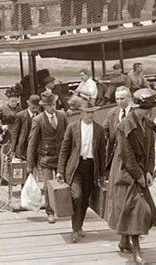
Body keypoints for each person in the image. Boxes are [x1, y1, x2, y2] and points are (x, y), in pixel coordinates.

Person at [106, 88, 156, 264]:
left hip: (140, 171)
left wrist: (149, 171)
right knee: (137, 210)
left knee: (129, 210)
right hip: (125, 173)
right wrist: (138, 176)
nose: (149, 112)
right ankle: (136, 249)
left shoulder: (149, 125)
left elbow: (151, 151)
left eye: (150, 109)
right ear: (136, 107)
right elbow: (126, 155)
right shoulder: (124, 126)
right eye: (146, 108)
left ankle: (124, 241)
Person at [57, 102, 105, 243]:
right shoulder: (72, 128)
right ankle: (74, 228)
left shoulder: (99, 129)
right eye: (87, 112)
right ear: (81, 113)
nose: (90, 115)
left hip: (91, 167)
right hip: (76, 167)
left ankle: (79, 226)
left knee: (85, 199)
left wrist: (102, 174)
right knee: (77, 196)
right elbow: (64, 150)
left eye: (92, 112)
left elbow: (102, 153)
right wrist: (60, 171)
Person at [27, 91, 68, 224]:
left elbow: (68, 137)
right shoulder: (38, 120)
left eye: (54, 104)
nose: (52, 107)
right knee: (47, 185)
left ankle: (63, 209)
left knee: (63, 184)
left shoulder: (62, 116)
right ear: (44, 106)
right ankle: (50, 212)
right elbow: (32, 143)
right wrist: (30, 164)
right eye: (49, 105)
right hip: (45, 159)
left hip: (61, 158)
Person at [102, 86, 132, 175]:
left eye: (122, 98)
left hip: (130, 156)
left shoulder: (135, 113)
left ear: (129, 98)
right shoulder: (112, 113)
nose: (119, 101)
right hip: (114, 155)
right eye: (117, 99)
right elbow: (104, 130)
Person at [10, 95, 40, 160]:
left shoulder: (40, 115)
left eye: (37, 107)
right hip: (24, 145)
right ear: (29, 105)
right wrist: (13, 149)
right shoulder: (20, 115)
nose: (35, 109)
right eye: (33, 107)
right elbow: (15, 133)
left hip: (37, 146)